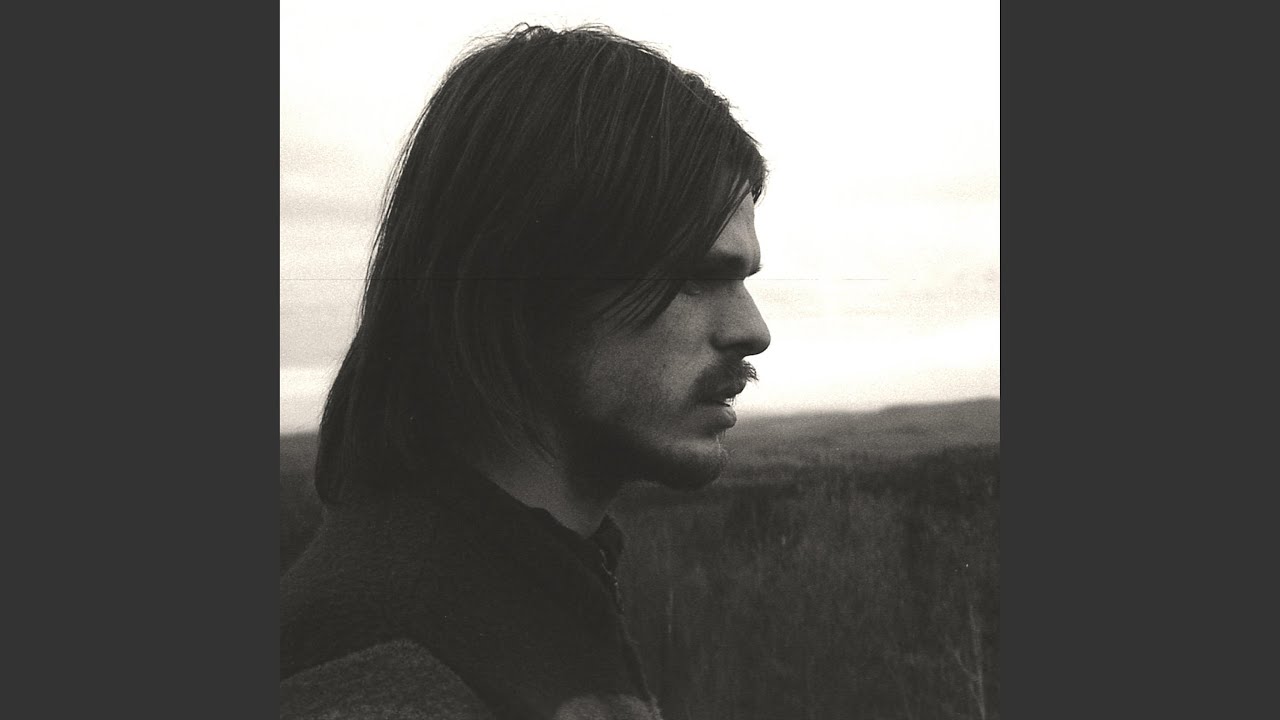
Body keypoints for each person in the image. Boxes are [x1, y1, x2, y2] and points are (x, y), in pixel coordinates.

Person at [280, 23, 771, 720]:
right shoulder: (380, 668)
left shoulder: (526, 601)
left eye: (745, 279)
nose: (752, 330)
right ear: (526, 274)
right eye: (697, 274)